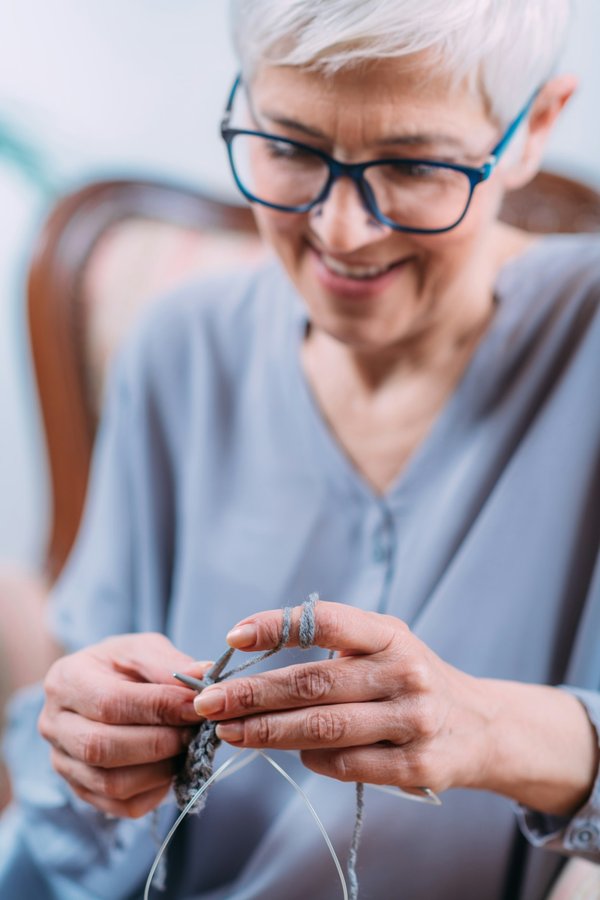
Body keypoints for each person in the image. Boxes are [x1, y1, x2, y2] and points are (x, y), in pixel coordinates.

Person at [1, 0, 599, 897]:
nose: (342, 232)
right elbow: (60, 823)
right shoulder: (180, 345)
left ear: (531, 129)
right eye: (287, 147)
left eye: (411, 165)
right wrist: (85, 754)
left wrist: (490, 730)